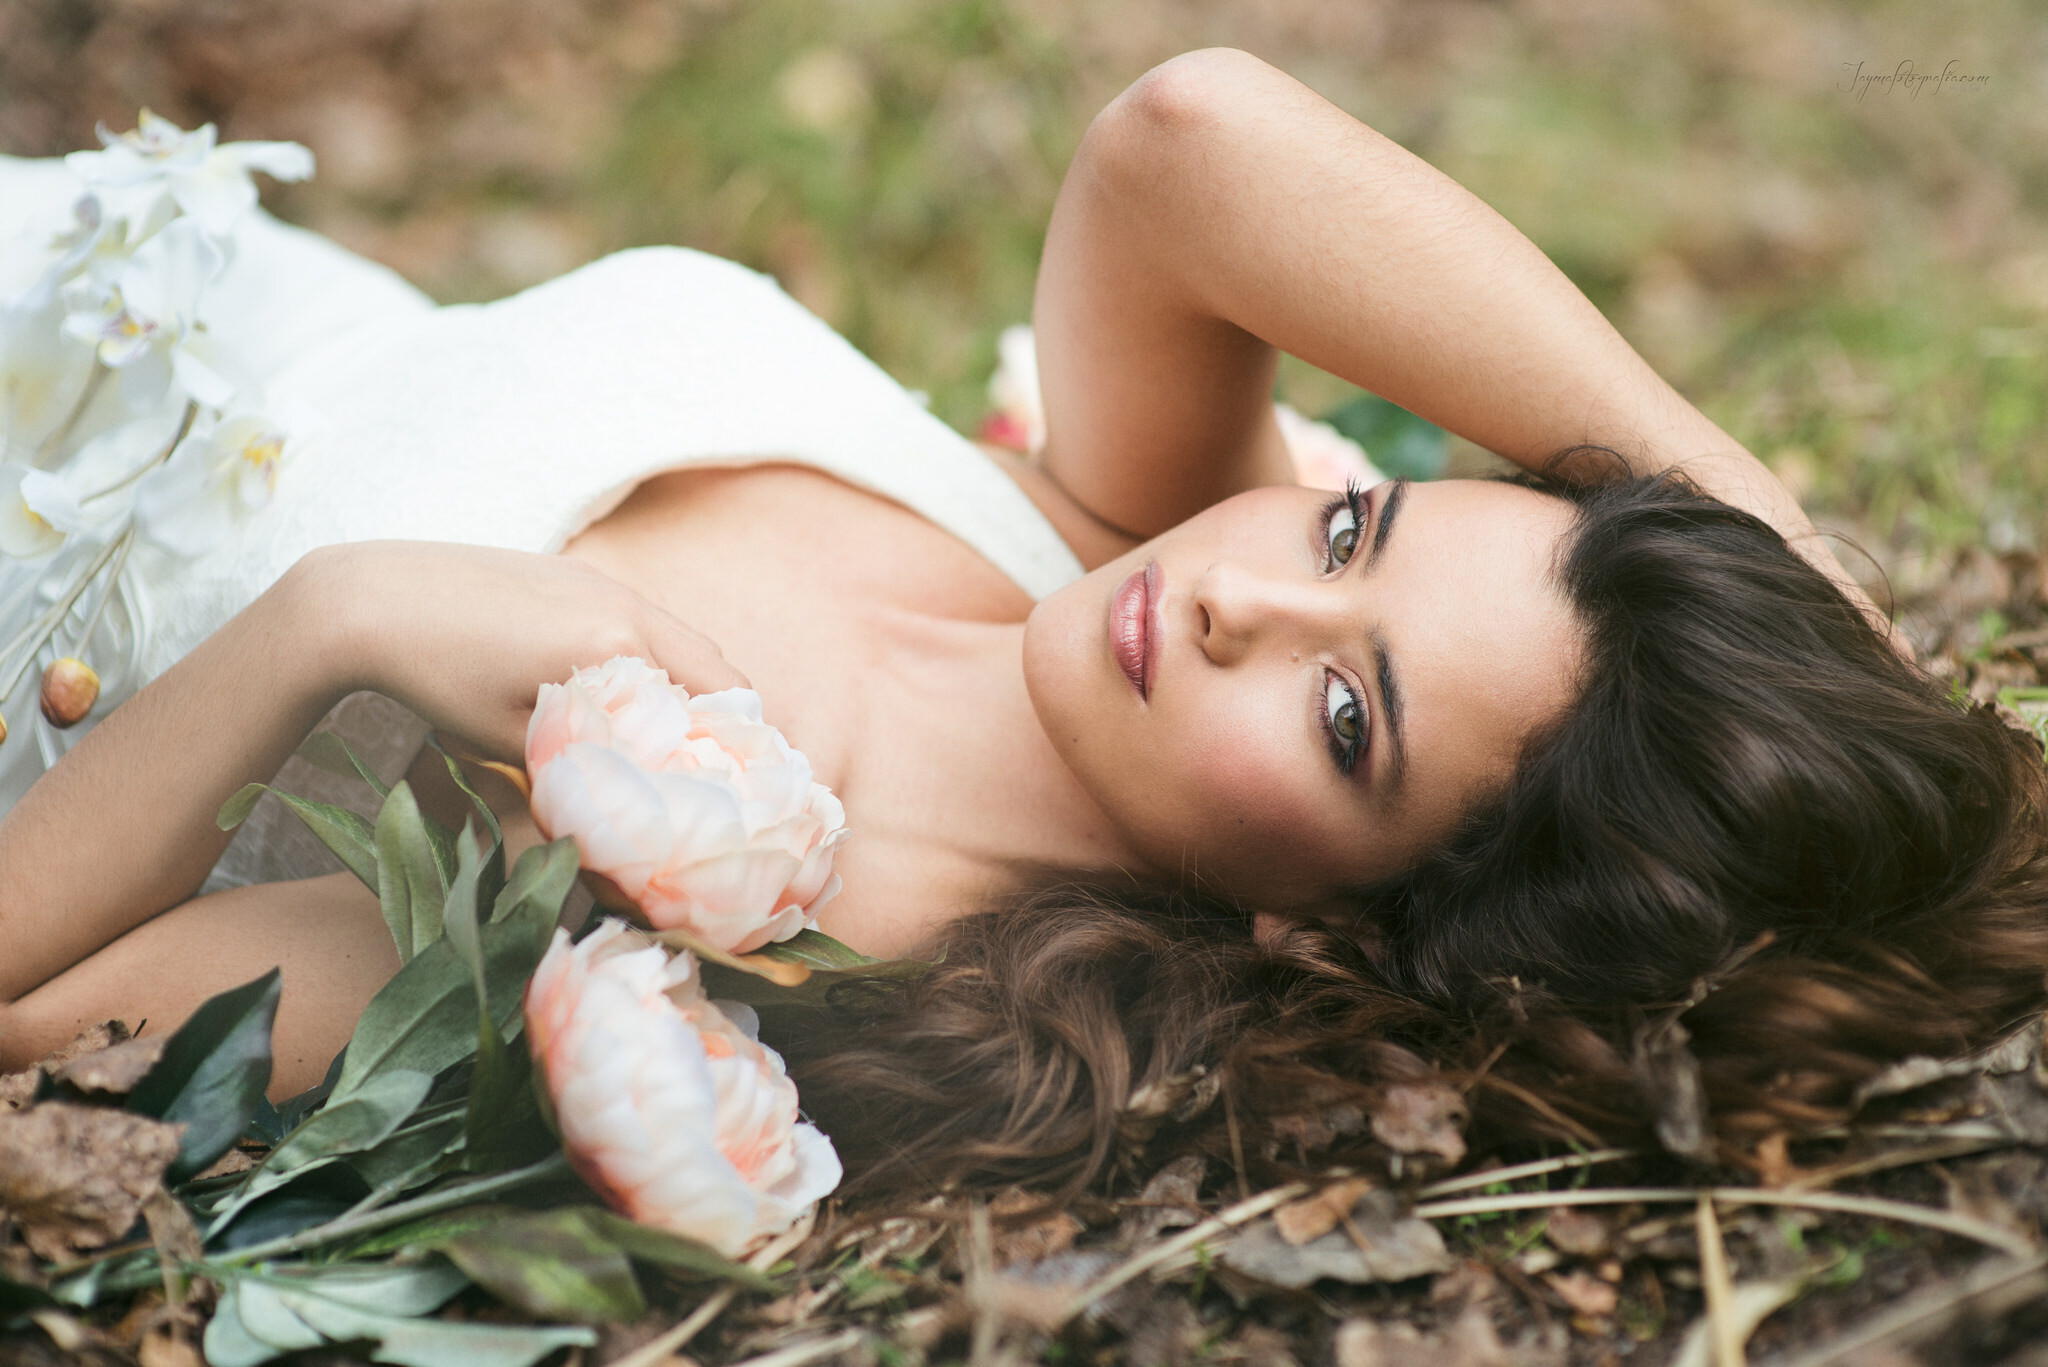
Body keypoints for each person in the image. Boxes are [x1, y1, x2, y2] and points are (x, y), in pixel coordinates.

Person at [1, 50, 2041, 1197]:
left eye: (1349, 720)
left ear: (1338, 932)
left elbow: (46, 1038)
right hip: (106, 263)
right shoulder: (1102, 534)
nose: (1237, 595)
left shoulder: (728, 895)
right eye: (1351, 523)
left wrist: (334, 623)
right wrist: (1743, 526)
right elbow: (1189, 136)